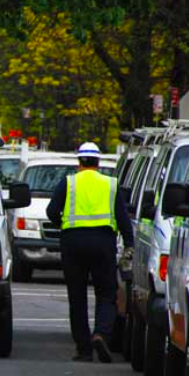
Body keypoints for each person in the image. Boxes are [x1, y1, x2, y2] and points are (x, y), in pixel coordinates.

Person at [46, 142, 134, 363]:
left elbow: (51, 211)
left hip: (72, 242)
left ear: (79, 162)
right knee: (106, 293)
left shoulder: (69, 182)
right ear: (98, 162)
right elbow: (123, 219)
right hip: (103, 242)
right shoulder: (110, 184)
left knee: (77, 297)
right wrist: (129, 244)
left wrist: (64, 225)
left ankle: (84, 349)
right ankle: (101, 334)